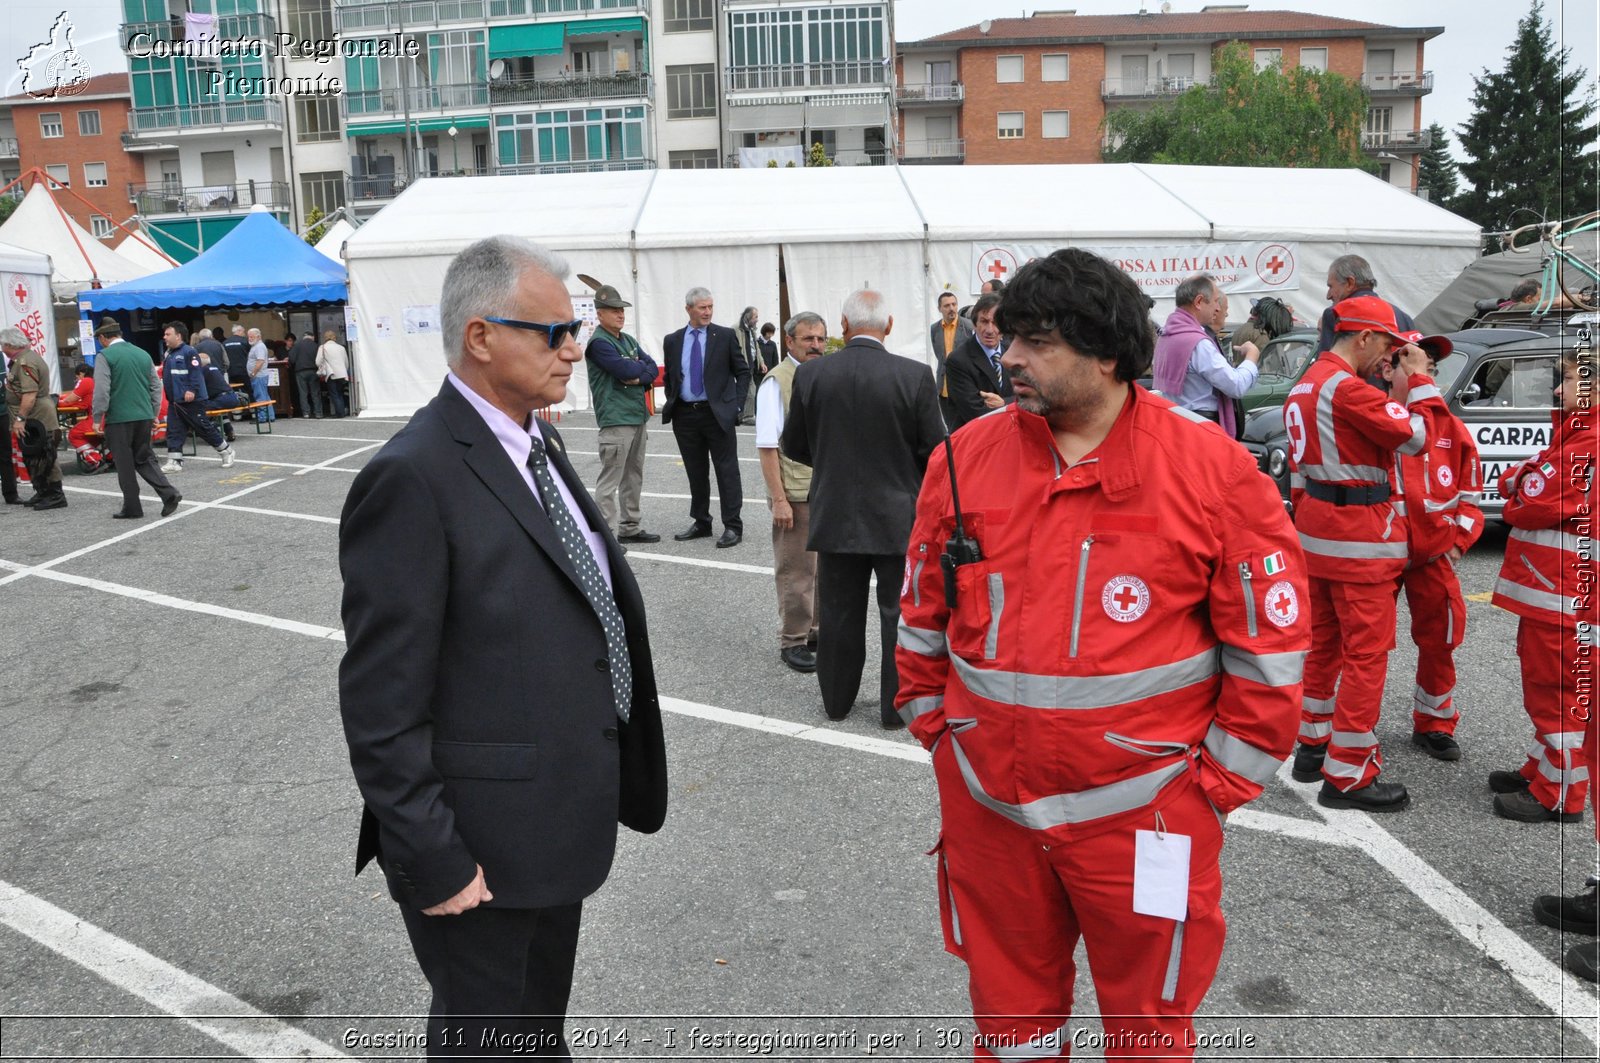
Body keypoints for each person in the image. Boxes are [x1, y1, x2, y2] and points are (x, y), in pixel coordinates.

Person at [895, 248, 1307, 1059]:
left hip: (1147, 819)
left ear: (1109, 353)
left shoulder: (1213, 471)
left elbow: (1271, 652)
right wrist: (938, 733)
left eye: (1037, 341)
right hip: (990, 814)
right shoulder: (963, 458)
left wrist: (1209, 792)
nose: (1009, 356)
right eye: (1009, 337)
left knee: (1149, 1029)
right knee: (1010, 1027)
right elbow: (921, 617)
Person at [338, 235, 667, 1059]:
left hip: (552, 828)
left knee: (534, 1032)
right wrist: (435, 856)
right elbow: (382, 703)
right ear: (480, 336)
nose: (574, 348)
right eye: (551, 331)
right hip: (477, 851)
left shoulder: (534, 441)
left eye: (576, 329)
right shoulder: (412, 475)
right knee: (488, 1042)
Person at [1284, 295, 1443, 813]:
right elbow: (1421, 437)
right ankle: (1349, 775)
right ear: (1365, 337)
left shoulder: (1305, 384)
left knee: (1324, 646)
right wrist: (1419, 378)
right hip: (1358, 542)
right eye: (1391, 346)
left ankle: (1312, 745)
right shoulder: (1348, 389)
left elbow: (1301, 477)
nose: (1392, 358)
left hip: (1317, 537)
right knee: (1365, 657)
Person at [782, 289, 944, 727]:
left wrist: (834, 462)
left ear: (843, 326)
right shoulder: (914, 375)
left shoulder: (813, 376)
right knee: (897, 615)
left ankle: (836, 702)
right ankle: (895, 711)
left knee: (837, 613)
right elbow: (936, 451)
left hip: (834, 510)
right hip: (897, 514)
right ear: (888, 325)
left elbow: (793, 444)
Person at [1490, 342, 1598, 826]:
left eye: (1570, 380)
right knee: (1544, 685)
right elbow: (1528, 481)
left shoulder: (1590, 442)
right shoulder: (1577, 434)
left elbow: (1530, 497)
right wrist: (1524, 480)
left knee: (1557, 691)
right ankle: (1543, 768)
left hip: (1566, 595)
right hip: (1553, 592)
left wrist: (1521, 483)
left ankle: (1559, 793)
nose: (1559, 389)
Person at [1378, 332, 1484, 766]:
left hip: (1433, 556)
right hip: (1379, 555)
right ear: (1388, 371)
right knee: (1366, 645)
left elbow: (1470, 493)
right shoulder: (1373, 417)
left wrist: (1457, 544)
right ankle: (1354, 724)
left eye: (1432, 369)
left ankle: (1434, 722)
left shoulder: (1450, 427)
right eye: (1416, 366)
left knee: (1441, 636)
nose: (1427, 376)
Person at [755, 310, 827, 674]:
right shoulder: (776, 382)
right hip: (794, 493)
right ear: (789, 342)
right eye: (807, 339)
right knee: (796, 570)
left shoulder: (822, 376)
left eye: (820, 339)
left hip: (824, 489)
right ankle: (793, 640)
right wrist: (779, 499)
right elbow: (767, 446)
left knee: (821, 570)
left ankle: (814, 631)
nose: (815, 345)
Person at [661, 287, 748, 548]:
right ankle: (702, 522)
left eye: (710, 306)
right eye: (702, 307)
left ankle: (733, 525)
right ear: (689, 309)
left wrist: (737, 406)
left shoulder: (725, 336)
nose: (708, 311)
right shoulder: (673, 340)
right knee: (696, 472)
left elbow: (743, 372)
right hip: (685, 415)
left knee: (727, 471)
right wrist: (674, 397)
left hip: (717, 414)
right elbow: (670, 377)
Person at [585, 282, 660, 544]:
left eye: (621, 310)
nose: (620, 314)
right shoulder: (598, 344)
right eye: (613, 310)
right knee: (610, 480)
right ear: (600, 314)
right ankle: (607, 535)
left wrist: (639, 375)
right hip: (616, 420)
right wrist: (637, 370)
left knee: (633, 476)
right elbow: (624, 370)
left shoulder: (626, 340)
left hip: (636, 416)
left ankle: (630, 527)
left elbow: (651, 368)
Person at [89, 317, 181, 519]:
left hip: (119, 418)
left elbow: (102, 391)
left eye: (99, 339)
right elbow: (156, 386)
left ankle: (132, 507)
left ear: (104, 337)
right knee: (144, 458)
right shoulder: (142, 354)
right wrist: (154, 413)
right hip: (143, 415)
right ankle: (168, 493)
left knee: (124, 464)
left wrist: (97, 418)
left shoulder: (105, 356)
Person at [1151, 274, 1260, 437]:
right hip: (1200, 429)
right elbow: (1235, 386)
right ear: (1199, 302)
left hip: (1174, 427)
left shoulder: (1166, 336)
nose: (1218, 308)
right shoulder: (1197, 343)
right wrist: (1251, 357)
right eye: (1216, 301)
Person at [158, 322, 236, 473]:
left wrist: (191, 390)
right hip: (175, 401)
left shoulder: (189, 352)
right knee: (174, 430)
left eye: (168, 334)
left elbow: (196, 372)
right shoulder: (170, 354)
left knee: (203, 427)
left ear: (178, 336)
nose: (165, 337)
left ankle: (226, 451)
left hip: (191, 400)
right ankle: (174, 461)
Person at [3, 328, 65, 509]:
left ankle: (55, 495)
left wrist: (20, 419)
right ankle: (42, 491)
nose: (2, 348)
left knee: (45, 455)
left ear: (10, 344)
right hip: (34, 416)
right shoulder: (23, 359)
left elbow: (30, 394)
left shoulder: (25, 362)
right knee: (33, 456)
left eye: (3, 344)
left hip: (38, 417)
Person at [1316, 254, 1415, 353]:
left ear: (1350, 283)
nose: (1328, 296)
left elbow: (1324, 365)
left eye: (1331, 286)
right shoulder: (1404, 318)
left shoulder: (1336, 314)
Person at [944, 292, 1012, 430]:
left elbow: (1033, 398)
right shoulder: (958, 361)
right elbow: (975, 413)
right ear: (974, 324)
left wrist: (1004, 403)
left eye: (996, 322)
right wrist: (1014, 405)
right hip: (975, 442)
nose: (989, 330)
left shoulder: (1013, 353)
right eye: (984, 321)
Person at [60, 363, 104, 471]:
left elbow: (71, 399)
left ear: (81, 374)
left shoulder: (86, 381)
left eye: (77, 377)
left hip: (98, 417)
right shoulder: (97, 380)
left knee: (74, 434)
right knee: (90, 435)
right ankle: (109, 455)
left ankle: (94, 459)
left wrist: (59, 401)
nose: (77, 380)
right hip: (107, 415)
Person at [198, 350, 243, 444]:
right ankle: (229, 430)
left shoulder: (202, 370)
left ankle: (216, 434)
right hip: (232, 397)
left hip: (222, 398)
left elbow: (198, 386)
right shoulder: (214, 368)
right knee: (219, 409)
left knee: (199, 409)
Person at [734, 305, 763, 426]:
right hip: (741, 366)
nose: (757, 319)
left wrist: (761, 362)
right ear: (748, 317)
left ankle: (744, 416)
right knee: (746, 391)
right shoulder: (736, 329)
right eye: (755, 317)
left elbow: (756, 348)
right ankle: (745, 416)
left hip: (750, 366)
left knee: (749, 391)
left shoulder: (752, 330)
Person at [316, 330, 351, 418]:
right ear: (334, 337)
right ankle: (342, 411)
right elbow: (346, 362)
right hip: (342, 373)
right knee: (340, 393)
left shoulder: (323, 347)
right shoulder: (341, 348)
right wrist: (344, 371)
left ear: (325, 337)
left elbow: (317, 362)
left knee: (334, 394)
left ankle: (340, 413)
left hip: (331, 373)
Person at [288, 330, 322, 417]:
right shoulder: (316, 346)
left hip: (300, 372)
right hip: (314, 371)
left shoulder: (297, 346)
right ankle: (318, 412)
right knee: (315, 392)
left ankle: (306, 412)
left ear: (304, 337)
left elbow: (291, 359)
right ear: (312, 337)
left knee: (303, 393)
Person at [246, 328, 276, 424]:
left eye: (252, 336)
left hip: (259, 375)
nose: (250, 338)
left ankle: (262, 417)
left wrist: (253, 373)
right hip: (260, 375)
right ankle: (270, 416)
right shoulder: (257, 346)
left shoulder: (259, 346)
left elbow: (260, 361)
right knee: (265, 396)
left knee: (260, 397)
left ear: (258, 337)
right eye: (249, 337)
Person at [223, 324, 251, 388]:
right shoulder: (245, 341)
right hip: (243, 371)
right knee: (248, 390)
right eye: (243, 332)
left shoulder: (225, 342)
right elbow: (251, 354)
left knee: (234, 390)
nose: (244, 334)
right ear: (239, 331)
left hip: (230, 371)